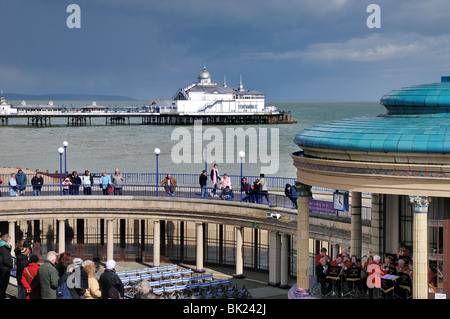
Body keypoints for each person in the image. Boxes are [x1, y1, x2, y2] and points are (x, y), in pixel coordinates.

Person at [0, 234, 13, 299]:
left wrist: (9, 247)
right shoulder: (3, 248)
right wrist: (11, 265)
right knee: (4, 283)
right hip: (4, 268)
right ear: (7, 240)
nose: (10, 241)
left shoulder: (2, 246)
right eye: (9, 239)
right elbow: (5, 258)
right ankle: (2, 296)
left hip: (2, 267)